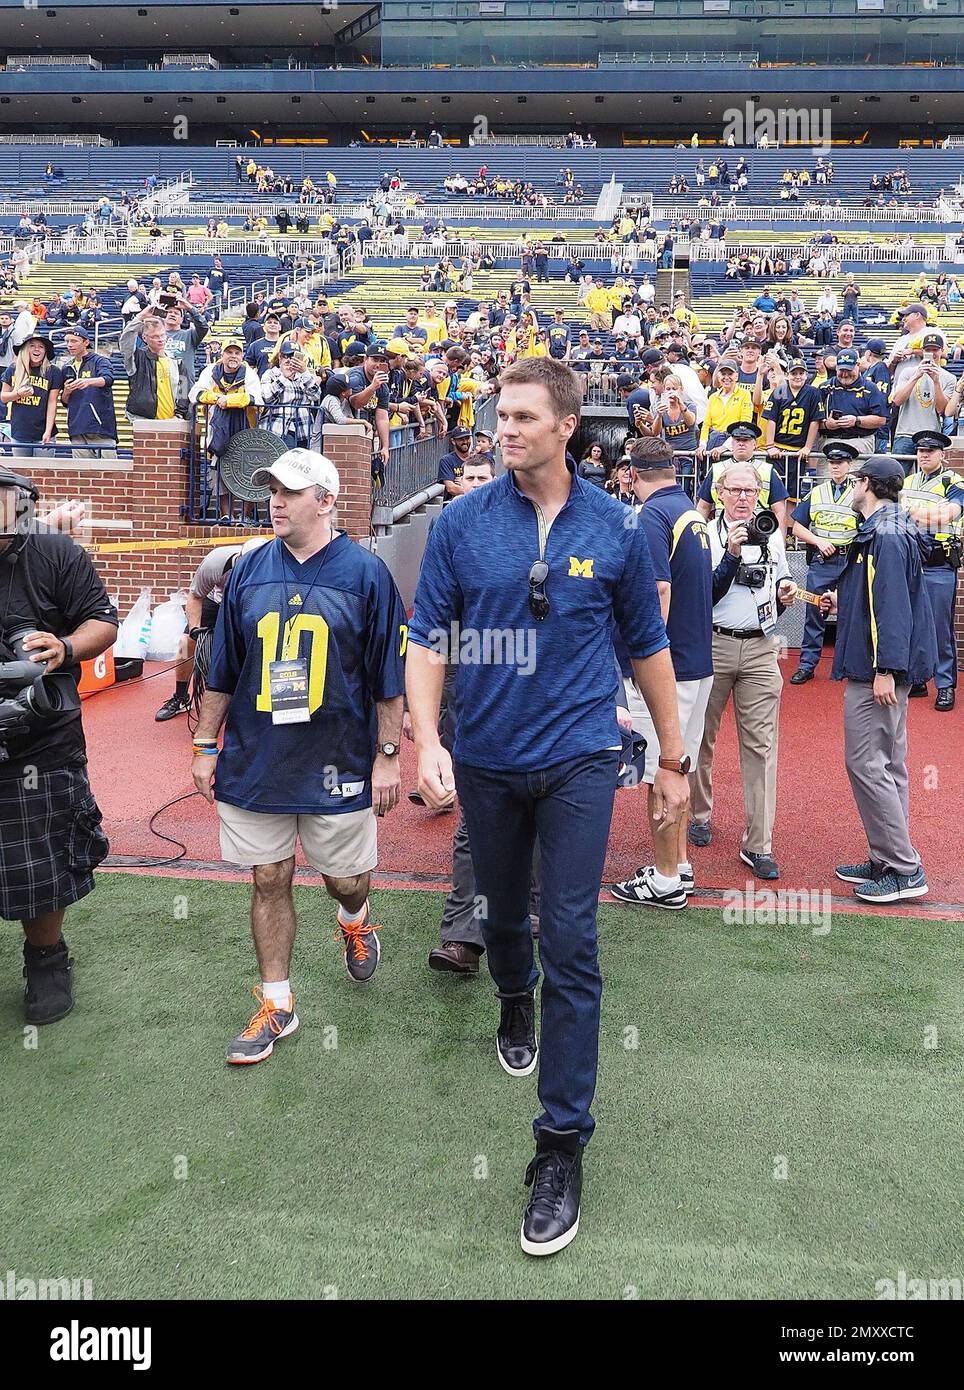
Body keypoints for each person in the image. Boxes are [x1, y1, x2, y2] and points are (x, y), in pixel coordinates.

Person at [406, 357, 688, 1257]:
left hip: (579, 762)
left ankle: (560, 1143)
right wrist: (426, 738)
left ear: (568, 426)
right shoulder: (458, 525)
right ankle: (511, 997)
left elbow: (648, 649)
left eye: (524, 416)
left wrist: (673, 755)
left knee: (573, 936)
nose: (506, 429)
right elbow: (427, 641)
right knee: (504, 922)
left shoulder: (617, 528)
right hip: (487, 763)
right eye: (501, 416)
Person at [192, 448, 407, 1063]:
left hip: (337, 757)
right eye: (270, 492)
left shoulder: (366, 575)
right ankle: (277, 1003)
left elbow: (387, 676)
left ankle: (356, 917)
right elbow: (224, 669)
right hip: (259, 756)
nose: (275, 502)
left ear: (326, 500)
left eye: (289, 492)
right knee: (269, 876)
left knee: (342, 878)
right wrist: (206, 743)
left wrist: (388, 754)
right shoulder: (248, 569)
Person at [0, 469, 118, 1023]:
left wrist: (64, 646)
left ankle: (45, 959)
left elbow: (103, 622)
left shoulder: (55, 553)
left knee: (39, 859)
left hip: (42, 737)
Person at [425, 452, 542, 973]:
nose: (472, 486)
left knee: (541, 814)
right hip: (475, 697)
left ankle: (533, 908)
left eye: (481, 478)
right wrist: (423, 724)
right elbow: (430, 630)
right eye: (466, 478)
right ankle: (463, 936)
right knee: (477, 820)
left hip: (543, 699)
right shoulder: (451, 530)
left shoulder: (548, 526)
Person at [822, 456, 936, 904]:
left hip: (879, 670)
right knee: (888, 763)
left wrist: (886, 669)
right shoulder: (891, 527)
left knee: (867, 763)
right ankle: (887, 857)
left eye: (855, 480)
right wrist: (836, 601)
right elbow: (878, 598)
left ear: (867, 484)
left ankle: (904, 867)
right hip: (883, 664)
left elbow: (891, 608)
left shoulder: (886, 534)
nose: (851, 486)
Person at [610, 437, 714, 910]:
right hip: (696, 661)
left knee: (660, 773)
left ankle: (666, 877)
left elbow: (658, 592)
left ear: (633, 473)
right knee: (681, 765)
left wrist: (645, 657)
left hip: (670, 667)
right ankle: (681, 863)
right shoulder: (690, 511)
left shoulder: (652, 516)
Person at [689, 461, 798, 878]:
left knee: (762, 747)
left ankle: (759, 844)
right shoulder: (703, 535)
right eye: (734, 491)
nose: (742, 499)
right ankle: (699, 814)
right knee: (701, 736)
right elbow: (703, 594)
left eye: (750, 492)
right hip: (713, 643)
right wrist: (732, 553)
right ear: (718, 493)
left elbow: (780, 582)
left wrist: (785, 592)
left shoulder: (772, 534)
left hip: (760, 646)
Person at [900, 430, 963, 711]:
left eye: (930, 451)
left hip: (940, 564)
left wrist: (914, 514)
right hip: (913, 560)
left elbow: (949, 514)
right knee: (912, 624)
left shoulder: (953, 481)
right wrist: (926, 515)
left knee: (939, 629)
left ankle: (945, 685)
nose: (924, 455)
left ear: (942, 454)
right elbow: (897, 516)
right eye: (920, 451)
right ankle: (918, 679)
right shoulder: (909, 481)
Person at [788, 442, 859, 683]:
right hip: (823, 561)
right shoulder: (816, 492)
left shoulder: (859, 492)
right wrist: (817, 541)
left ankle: (847, 666)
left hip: (850, 561)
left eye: (840, 463)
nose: (836, 467)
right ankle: (807, 664)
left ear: (850, 465)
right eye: (832, 463)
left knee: (851, 613)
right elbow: (796, 527)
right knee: (815, 611)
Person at [889, 333, 956, 462]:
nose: (932, 353)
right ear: (922, 351)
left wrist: (936, 382)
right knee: (897, 477)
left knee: (928, 476)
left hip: (931, 434)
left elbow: (942, 410)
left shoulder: (949, 378)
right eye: (928, 350)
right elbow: (897, 400)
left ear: (941, 351)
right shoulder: (908, 372)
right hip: (905, 433)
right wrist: (916, 376)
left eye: (935, 350)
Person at [818, 348, 888, 459]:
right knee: (827, 476)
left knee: (855, 476)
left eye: (849, 370)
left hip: (860, 441)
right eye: (842, 370)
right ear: (836, 367)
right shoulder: (824, 388)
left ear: (858, 365)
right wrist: (827, 424)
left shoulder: (870, 388)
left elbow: (881, 419)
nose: (845, 374)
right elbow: (812, 420)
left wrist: (857, 420)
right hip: (829, 441)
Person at [59, 326, 117, 459]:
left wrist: (89, 381)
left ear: (85, 342)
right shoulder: (66, 367)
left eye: (74, 341)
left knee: (109, 472)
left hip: (100, 427)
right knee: (81, 474)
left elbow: (108, 379)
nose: (69, 345)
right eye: (67, 341)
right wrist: (66, 392)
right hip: (77, 427)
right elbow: (65, 402)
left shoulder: (99, 361)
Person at [0, 334, 61, 455]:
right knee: (20, 471)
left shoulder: (53, 371)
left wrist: (48, 431)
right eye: (32, 346)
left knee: (43, 471)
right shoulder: (13, 369)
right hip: (19, 432)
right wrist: (18, 394)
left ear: (45, 351)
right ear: (25, 350)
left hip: (44, 432)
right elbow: (3, 397)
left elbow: (52, 402)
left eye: (41, 347)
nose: (36, 349)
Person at [436, 425, 473, 498]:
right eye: (461, 439)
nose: (465, 442)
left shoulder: (477, 459)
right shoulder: (446, 460)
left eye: (467, 438)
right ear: (453, 441)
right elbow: (451, 488)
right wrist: (473, 491)